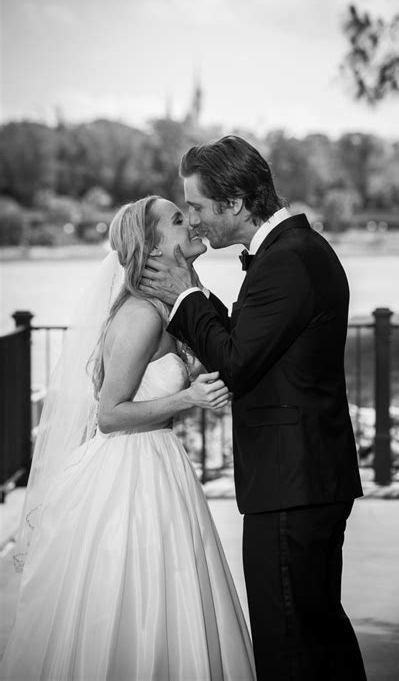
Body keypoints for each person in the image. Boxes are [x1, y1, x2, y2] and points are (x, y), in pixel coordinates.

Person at [139, 136, 367, 680]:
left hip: (293, 481)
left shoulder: (289, 260)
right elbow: (250, 340)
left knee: (289, 641)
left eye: (196, 207)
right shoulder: (290, 253)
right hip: (301, 479)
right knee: (315, 632)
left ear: (234, 203)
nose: (193, 222)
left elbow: (237, 363)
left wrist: (182, 297)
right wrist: (191, 290)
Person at [1, 196, 256, 681]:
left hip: (161, 462)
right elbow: (109, 415)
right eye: (180, 220)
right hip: (130, 472)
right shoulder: (141, 315)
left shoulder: (168, 308)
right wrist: (189, 401)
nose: (193, 221)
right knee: (137, 595)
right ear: (154, 248)